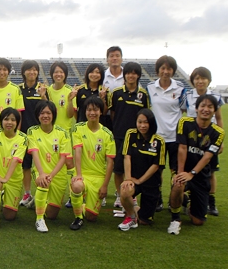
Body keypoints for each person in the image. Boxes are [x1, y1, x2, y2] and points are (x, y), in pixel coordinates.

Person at [168, 94, 225, 235]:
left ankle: (188, 203)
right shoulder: (185, 123)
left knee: (197, 221)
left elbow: (207, 157)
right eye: (203, 106)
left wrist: (192, 174)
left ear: (214, 110)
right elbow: (182, 148)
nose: (206, 109)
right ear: (196, 108)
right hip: (183, 169)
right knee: (178, 184)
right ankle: (175, 219)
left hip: (200, 175)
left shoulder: (218, 132)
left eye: (210, 107)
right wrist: (181, 173)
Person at [69, 96, 116, 230]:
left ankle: (83, 205)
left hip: (98, 177)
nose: (92, 113)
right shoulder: (78, 128)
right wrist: (78, 174)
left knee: (92, 217)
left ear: (101, 112)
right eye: (89, 110)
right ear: (85, 112)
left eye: (95, 110)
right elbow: (77, 152)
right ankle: (78, 218)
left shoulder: (107, 134)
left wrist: (105, 186)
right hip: (83, 174)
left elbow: (110, 162)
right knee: (77, 186)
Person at [146, 56, 187, 211]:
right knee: (157, 169)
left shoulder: (180, 88)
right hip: (157, 137)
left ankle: (175, 199)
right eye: (162, 68)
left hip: (176, 137)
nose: (165, 71)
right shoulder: (150, 87)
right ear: (158, 70)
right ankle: (158, 199)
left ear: (173, 71)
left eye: (169, 69)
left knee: (175, 171)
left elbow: (184, 111)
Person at [107, 62, 150, 208]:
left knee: (134, 168)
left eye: (134, 73)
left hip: (137, 138)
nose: (131, 76)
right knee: (118, 169)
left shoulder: (143, 95)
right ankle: (120, 195)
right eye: (128, 73)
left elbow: (146, 116)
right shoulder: (117, 93)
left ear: (138, 75)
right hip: (119, 136)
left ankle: (132, 194)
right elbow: (112, 114)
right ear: (124, 75)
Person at [185, 67, 225, 216]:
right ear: (193, 80)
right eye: (197, 78)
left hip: (211, 138)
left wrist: (221, 141)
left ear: (208, 80)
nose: (200, 81)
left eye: (203, 78)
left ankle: (211, 201)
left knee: (211, 171)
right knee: (189, 168)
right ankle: (190, 199)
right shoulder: (187, 95)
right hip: (192, 139)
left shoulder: (216, 96)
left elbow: (219, 118)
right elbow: (183, 114)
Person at [118, 109, 166, 231]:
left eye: (146, 122)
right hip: (134, 179)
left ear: (151, 123)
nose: (142, 125)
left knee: (145, 221)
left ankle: (137, 210)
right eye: (140, 122)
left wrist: (140, 180)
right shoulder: (131, 134)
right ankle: (131, 216)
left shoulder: (159, 141)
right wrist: (128, 179)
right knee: (124, 189)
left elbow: (156, 166)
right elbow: (127, 156)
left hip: (151, 183)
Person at [27, 101, 70, 232]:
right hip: (40, 172)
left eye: (48, 113)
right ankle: (39, 219)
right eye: (42, 113)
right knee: (43, 183)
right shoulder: (32, 131)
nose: (45, 116)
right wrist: (41, 174)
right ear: (37, 115)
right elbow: (34, 154)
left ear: (53, 115)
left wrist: (51, 175)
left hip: (58, 175)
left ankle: (38, 201)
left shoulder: (62, 133)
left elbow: (63, 157)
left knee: (52, 215)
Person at [0, 108, 28, 230]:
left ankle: (3, 196)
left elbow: (16, 160)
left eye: (13, 120)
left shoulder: (23, 138)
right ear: (1, 121)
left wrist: (6, 178)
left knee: (10, 216)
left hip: (13, 179)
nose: (9, 122)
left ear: (17, 122)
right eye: (6, 119)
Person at [18, 60, 48, 207]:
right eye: (29, 70)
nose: (32, 72)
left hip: (39, 133)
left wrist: (43, 96)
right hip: (23, 132)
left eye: (35, 70)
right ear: (24, 72)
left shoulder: (43, 88)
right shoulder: (19, 89)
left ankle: (41, 193)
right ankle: (27, 193)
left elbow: (49, 109)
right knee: (26, 166)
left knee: (40, 164)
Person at [0, 58, 24, 131]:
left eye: (4, 69)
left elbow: (19, 113)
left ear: (8, 72)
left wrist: (17, 131)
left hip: (10, 133)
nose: (1, 72)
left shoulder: (16, 89)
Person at [47, 61, 75, 131]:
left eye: (61, 72)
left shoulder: (70, 91)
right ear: (52, 74)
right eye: (56, 72)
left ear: (65, 74)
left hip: (65, 131)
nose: (58, 74)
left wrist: (70, 100)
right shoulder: (47, 91)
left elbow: (70, 115)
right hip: (50, 131)